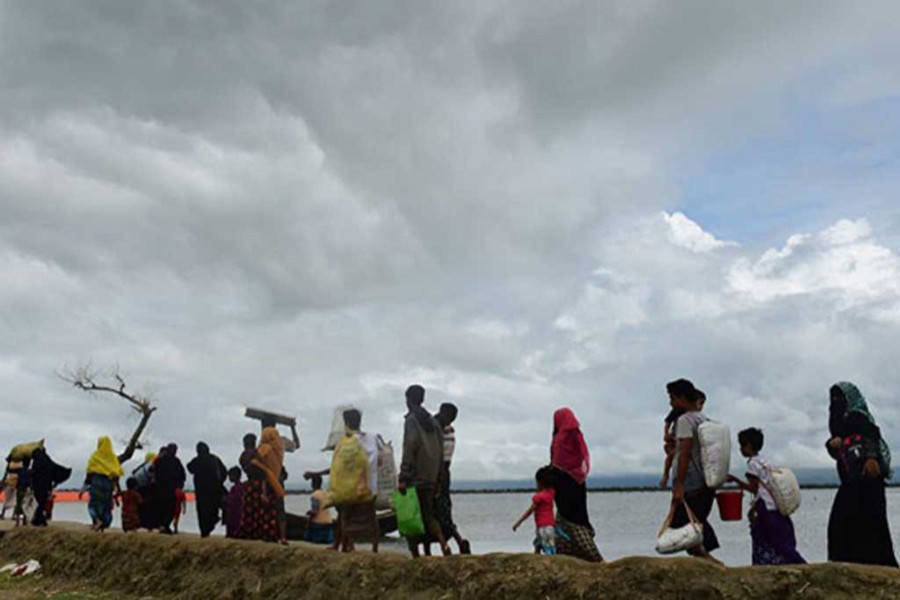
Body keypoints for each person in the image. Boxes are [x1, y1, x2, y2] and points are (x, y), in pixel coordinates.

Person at [826, 382, 897, 567]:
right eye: (833, 399)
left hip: (868, 480)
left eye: (840, 399)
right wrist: (832, 444)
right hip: (850, 480)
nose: (836, 403)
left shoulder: (858, 416)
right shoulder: (836, 422)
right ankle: (847, 565)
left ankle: (877, 568)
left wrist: (871, 458)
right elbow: (838, 453)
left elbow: (872, 433)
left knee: (869, 525)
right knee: (843, 523)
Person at [305, 409, 379, 553]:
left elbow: (337, 468)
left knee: (343, 510)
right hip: (369, 491)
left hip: (352, 491)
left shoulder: (348, 442)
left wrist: (316, 473)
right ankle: (350, 545)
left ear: (347, 423)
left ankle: (343, 545)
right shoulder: (371, 438)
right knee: (362, 515)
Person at [728, 428, 805, 565]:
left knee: (765, 539)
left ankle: (789, 564)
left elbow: (753, 489)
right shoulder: (764, 461)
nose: (740, 449)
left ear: (749, 446)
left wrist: (736, 480)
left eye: (742, 445)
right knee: (781, 541)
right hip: (775, 507)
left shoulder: (752, 465)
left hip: (765, 508)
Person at [667, 379, 721, 565]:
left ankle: (708, 560)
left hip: (691, 481)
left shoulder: (684, 421)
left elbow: (685, 453)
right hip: (705, 480)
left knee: (684, 523)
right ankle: (705, 557)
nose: (670, 402)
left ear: (682, 397)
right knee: (696, 521)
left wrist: (679, 484)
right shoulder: (702, 418)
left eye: (672, 398)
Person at [398, 384, 450, 557]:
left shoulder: (411, 420)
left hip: (415, 477)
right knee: (429, 514)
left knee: (410, 516)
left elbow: (409, 447)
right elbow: (441, 451)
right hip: (431, 477)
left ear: (408, 400)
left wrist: (403, 476)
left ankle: (416, 556)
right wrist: (440, 478)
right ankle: (443, 545)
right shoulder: (434, 423)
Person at [550, 408, 603, 562]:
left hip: (564, 484)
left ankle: (593, 557)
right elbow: (581, 456)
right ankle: (570, 553)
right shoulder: (575, 434)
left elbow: (556, 462)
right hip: (576, 482)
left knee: (571, 519)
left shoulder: (560, 438)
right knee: (573, 517)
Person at [429, 403, 471, 555]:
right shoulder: (449, 431)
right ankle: (459, 542)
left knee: (435, 511)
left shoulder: (440, 431)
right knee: (444, 512)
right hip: (444, 474)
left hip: (438, 474)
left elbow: (439, 458)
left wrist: (437, 480)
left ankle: (444, 545)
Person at [249, 427, 286, 544]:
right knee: (280, 510)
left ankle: (269, 535)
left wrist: (256, 461)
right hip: (278, 480)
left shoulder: (266, 448)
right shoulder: (279, 448)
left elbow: (257, 458)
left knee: (267, 510)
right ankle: (283, 537)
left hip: (268, 480)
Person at [80, 436, 124, 532]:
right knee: (106, 505)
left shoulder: (95, 456)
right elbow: (116, 474)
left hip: (96, 483)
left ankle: (97, 520)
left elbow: (89, 473)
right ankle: (104, 524)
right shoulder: (113, 458)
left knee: (93, 505)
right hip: (108, 484)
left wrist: (83, 489)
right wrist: (118, 489)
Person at [187, 442, 228, 538]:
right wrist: (219, 482)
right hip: (214, 489)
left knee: (202, 511)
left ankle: (204, 531)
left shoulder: (198, 460)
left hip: (201, 491)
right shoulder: (214, 459)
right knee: (213, 509)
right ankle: (211, 524)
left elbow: (189, 467)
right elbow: (224, 472)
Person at [513, 466, 557, 555]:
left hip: (542, 527)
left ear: (540, 483)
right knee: (544, 544)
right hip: (551, 526)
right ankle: (537, 554)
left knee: (546, 546)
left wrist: (518, 523)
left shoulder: (538, 497)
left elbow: (529, 511)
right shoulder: (551, 493)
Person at [29, 447, 71, 527]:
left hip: (37, 486)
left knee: (39, 502)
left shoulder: (36, 462)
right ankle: (40, 519)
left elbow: (33, 474)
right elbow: (54, 469)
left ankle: (39, 519)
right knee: (43, 502)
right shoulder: (47, 460)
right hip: (46, 486)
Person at [154, 443, 186, 534]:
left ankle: (163, 525)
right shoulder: (176, 461)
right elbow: (182, 475)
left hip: (161, 488)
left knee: (162, 507)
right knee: (170, 508)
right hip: (171, 489)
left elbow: (155, 474)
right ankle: (166, 525)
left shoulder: (159, 461)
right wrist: (180, 485)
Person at [304, 474, 334, 545]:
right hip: (328, 522)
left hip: (318, 524)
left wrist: (307, 520)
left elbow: (315, 511)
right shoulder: (325, 493)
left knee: (306, 535)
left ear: (312, 484)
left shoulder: (315, 495)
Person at [225, 466, 244, 539]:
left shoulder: (235, 488)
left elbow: (232, 500)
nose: (229, 478)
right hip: (239, 511)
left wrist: (226, 500)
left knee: (233, 525)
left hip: (234, 511)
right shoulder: (241, 486)